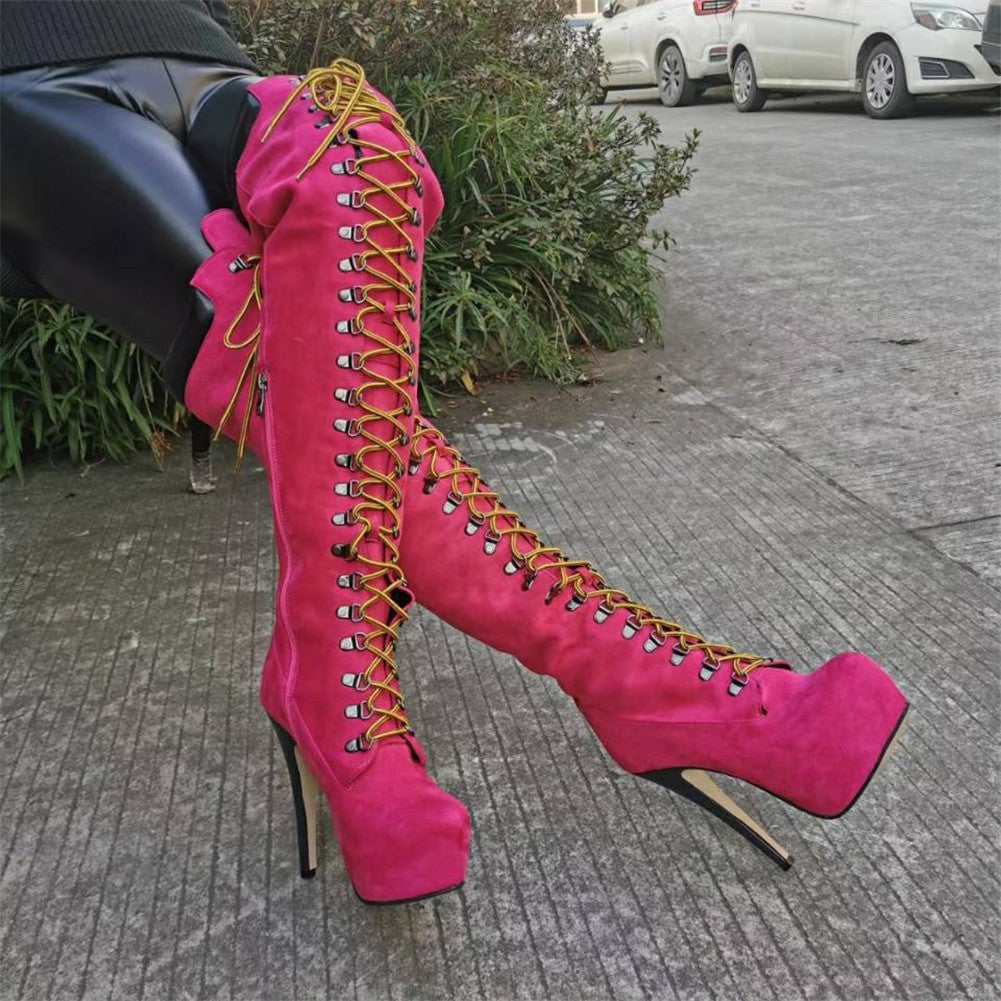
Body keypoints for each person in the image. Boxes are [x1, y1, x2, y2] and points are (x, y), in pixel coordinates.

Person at [0, 1, 908, 905]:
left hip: (196, 53)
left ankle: (341, 681)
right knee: (254, 340)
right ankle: (629, 688)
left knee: (359, 153)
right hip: (27, 83)